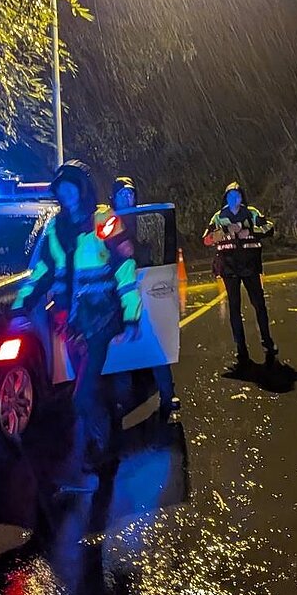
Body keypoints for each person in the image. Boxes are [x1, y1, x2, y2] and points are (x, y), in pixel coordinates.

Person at [12, 161, 140, 489]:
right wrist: (20, 304)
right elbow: (42, 270)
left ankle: (104, 449)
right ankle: (108, 431)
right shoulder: (55, 228)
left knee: (81, 395)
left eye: (72, 187)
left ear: (83, 188)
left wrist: (131, 314)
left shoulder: (103, 219)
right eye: (61, 189)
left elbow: (125, 269)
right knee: (89, 385)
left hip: (101, 316)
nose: (67, 194)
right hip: (69, 322)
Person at [103, 175, 179, 419]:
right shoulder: (107, 223)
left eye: (131, 193)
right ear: (113, 197)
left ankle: (168, 395)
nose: (128, 197)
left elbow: (151, 253)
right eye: (123, 193)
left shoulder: (142, 220)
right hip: (117, 295)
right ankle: (120, 404)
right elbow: (104, 256)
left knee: (155, 344)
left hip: (144, 288)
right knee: (120, 351)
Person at [203, 181, 277, 368]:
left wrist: (249, 230)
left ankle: (267, 341)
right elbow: (207, 239)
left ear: (242, 197)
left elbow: (269, 228)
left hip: (250, 266)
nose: (234, 199)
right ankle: (241, 347)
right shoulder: (219, 217)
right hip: (229, 268)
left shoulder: (251, 213)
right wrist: (227, 231)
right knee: (234, 307)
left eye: (237, 195)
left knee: (259, 303)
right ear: (225, 199)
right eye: (230, 196)